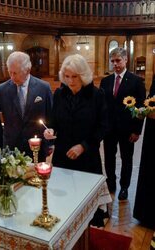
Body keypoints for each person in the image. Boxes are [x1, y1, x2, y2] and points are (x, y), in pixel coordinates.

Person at [44, 54, 110, 227]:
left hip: (87, 157)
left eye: (75, 77)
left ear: (83, 76)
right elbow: (53, 121)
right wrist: (50, 130)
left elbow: (103, 126)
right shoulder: (59, 93)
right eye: (67, 76)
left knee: (86, 202)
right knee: (64, 199)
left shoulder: (96, 95)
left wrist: (83, 146)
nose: (70, 81)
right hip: (62, 156)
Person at [100, 47, 146, 200]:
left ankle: (124, 187)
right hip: (109, 129)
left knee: (126, 159)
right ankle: (111, 183)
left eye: (118, 60)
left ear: (126, 60)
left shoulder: (136, 81)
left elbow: (141, 107)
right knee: (109, 157)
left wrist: (137, 130)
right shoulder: (105, 81)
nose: (115, 64)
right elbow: (102, 106)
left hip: (128, 129)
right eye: (112, 61)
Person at [133, 78, 155, 229]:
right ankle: (147, 214)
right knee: (150, 170)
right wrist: (144, 111)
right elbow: (150, 100)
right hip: (153, 133)